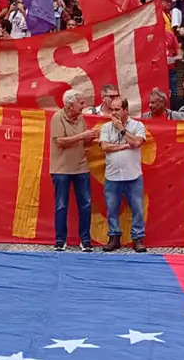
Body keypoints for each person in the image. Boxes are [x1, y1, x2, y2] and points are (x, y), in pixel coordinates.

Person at [47, 90, 97, 252]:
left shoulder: (81, 119)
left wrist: (91, 138)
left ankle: (85, 240)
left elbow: (82, 142)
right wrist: (83, 136)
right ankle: (60, 240)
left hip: (81, 167)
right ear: (70, 105)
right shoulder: (57, 118)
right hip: (61, 169)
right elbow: (60, 141)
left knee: (86, 204)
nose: (84, 106)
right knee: (61, 205)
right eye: (81, 103)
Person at [99, 96, 147, 253]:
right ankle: (114, 237)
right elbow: (105, 147)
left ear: (126, 110)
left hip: (133, 175)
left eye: (117, 109)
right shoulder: (106, 127)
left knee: (138, 208)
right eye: (112, 109)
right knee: (112, 208)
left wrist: (121, 129)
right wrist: (124, 146)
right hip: (112, 175)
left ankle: (138, 238)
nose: (114, 113)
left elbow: (137, 143)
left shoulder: (137, 125)